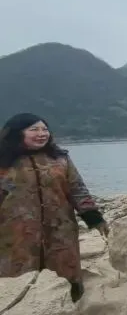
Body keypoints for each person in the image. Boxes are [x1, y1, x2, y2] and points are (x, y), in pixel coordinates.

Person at [0, 113, 107, 301]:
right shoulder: (3, 162)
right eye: (34, 129)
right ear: (17, 133)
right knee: (16, 281)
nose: (42, 133)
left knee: (65, 276)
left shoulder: (60, 159)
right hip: (15, 237)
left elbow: (77, 189)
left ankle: (72, 309)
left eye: (45, 129)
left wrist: (95, 218)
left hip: (60, 232)